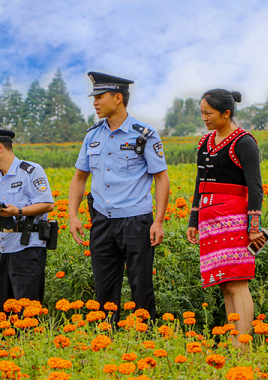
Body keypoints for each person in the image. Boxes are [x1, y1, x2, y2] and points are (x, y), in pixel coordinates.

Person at [68, 72, 170, 323]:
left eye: (100, 97)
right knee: (104, 290)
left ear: (118, 98)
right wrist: (72, 215)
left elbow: (161, 178)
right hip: (102, 221)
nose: (94, 103)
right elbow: (79, 178)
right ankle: (106, 341)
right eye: (94, 97)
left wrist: (158, 220)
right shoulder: (92, 135)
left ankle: (145, 340)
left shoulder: (144, 134)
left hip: (136, 221)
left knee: (141, 288)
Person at [186, 89, 265, 344]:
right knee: (224, 284)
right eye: (202, 113)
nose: (204, 118)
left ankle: (244, 346)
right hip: (209, 220)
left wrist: (254, 228)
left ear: (226, 113)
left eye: (208, 113)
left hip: (235, 221)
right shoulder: (205, 143)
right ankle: (235, 342)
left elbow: (255, 187)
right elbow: (200, 183)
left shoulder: (244, 142)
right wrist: (193, 220)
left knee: (237, 283)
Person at [0, 129, 55, 312]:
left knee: (27, 310)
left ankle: (28, 340)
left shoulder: (30, 171)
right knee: (3, 308)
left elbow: (47, 204)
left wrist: (19, 211)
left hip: (27, 249)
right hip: (3, 248)